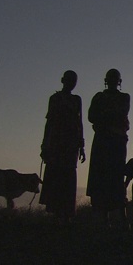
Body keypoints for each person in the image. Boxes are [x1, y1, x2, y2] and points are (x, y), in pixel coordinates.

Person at [39, 70, 85, 225]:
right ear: (63, 80)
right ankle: (56, 214)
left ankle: (66, 214)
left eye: (74, 80)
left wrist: (81, 145)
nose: (72, 83)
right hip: (56, 142)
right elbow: (49, 122)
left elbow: (80, 123)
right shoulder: (55, 98)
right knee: (56, 175)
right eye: (70, 80)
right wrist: (45, 144)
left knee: (68, 177)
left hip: (71, 144)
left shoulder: (77, 100)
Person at [86, 69, 130, 227]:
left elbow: (121, 113)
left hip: (117, 142)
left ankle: (119, 217)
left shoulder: (124, 97)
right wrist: (109, 115)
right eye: (110, 78)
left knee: (116, 177)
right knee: (100, 176)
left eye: (115, 79)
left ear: (118, 81)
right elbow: (91, 116)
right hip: (102, 141)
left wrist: (104, 115)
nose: (113, 81)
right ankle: (101, 217)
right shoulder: (99, 97)